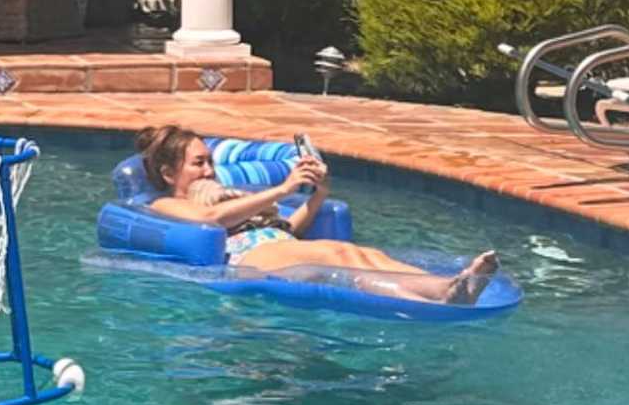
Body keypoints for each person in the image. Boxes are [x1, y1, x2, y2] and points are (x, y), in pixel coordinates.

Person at [131, 125, 502, 305]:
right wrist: (281, 190)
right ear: (168, 173)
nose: (210, 170)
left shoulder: (227, 195)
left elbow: (287, 227)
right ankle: (438, 296)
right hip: (247, 258)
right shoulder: (164, 205)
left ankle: (448, 287)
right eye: (199, 163)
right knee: (335, 258)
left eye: (211, 161)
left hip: (276, 243)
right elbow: (210, 224)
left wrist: (319, 192)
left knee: (361, 255)